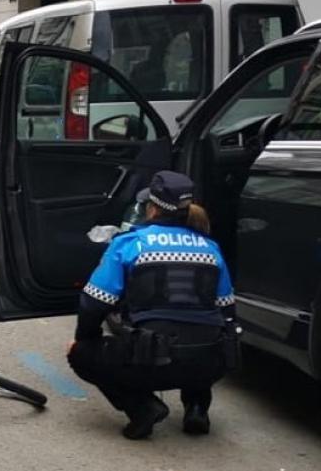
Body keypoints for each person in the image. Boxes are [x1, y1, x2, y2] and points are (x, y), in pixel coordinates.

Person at [67, 171, 238, 440]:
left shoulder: (130, 244)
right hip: (208, 363)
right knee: (201, 332)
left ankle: (143, 407)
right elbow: (227, 311)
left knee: (80, 354)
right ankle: (196, 408)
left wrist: (85, 343)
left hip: (150, 360)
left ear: (153, 208)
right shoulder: (211, 248)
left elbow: (93, 303)